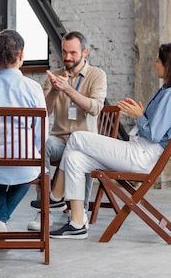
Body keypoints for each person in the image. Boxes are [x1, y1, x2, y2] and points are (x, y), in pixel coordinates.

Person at [49, 42, 171, 239]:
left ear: (169, 64)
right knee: (74, 158)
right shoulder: (170, 91)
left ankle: (55, 197)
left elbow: (154, 135)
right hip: (139, 151)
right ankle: (76, 224)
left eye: (158, 61)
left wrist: (138, 116)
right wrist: (142, 113)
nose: (155, 65)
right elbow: (158, 126)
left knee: (76, 138)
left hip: (141, 155)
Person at [0, 29, 48, 232]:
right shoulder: (33, 88)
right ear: (21, 54)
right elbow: (41, 133)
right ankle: (1, 220)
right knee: (34, 171)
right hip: (25, 161)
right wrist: (34, 151)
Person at [27, 31, 107, 231]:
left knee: (83, 154)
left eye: (72, 53)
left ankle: (80, 212)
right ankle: (44, 209)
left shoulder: (97, 75)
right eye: (64, 52)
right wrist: (54, 90)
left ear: (85, 52)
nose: (67, 57)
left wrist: (69, 90)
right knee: (43, 146)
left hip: (85, 143)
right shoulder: (54, 76)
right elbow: (45, 112)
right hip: (59, 140)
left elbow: (95, 108)